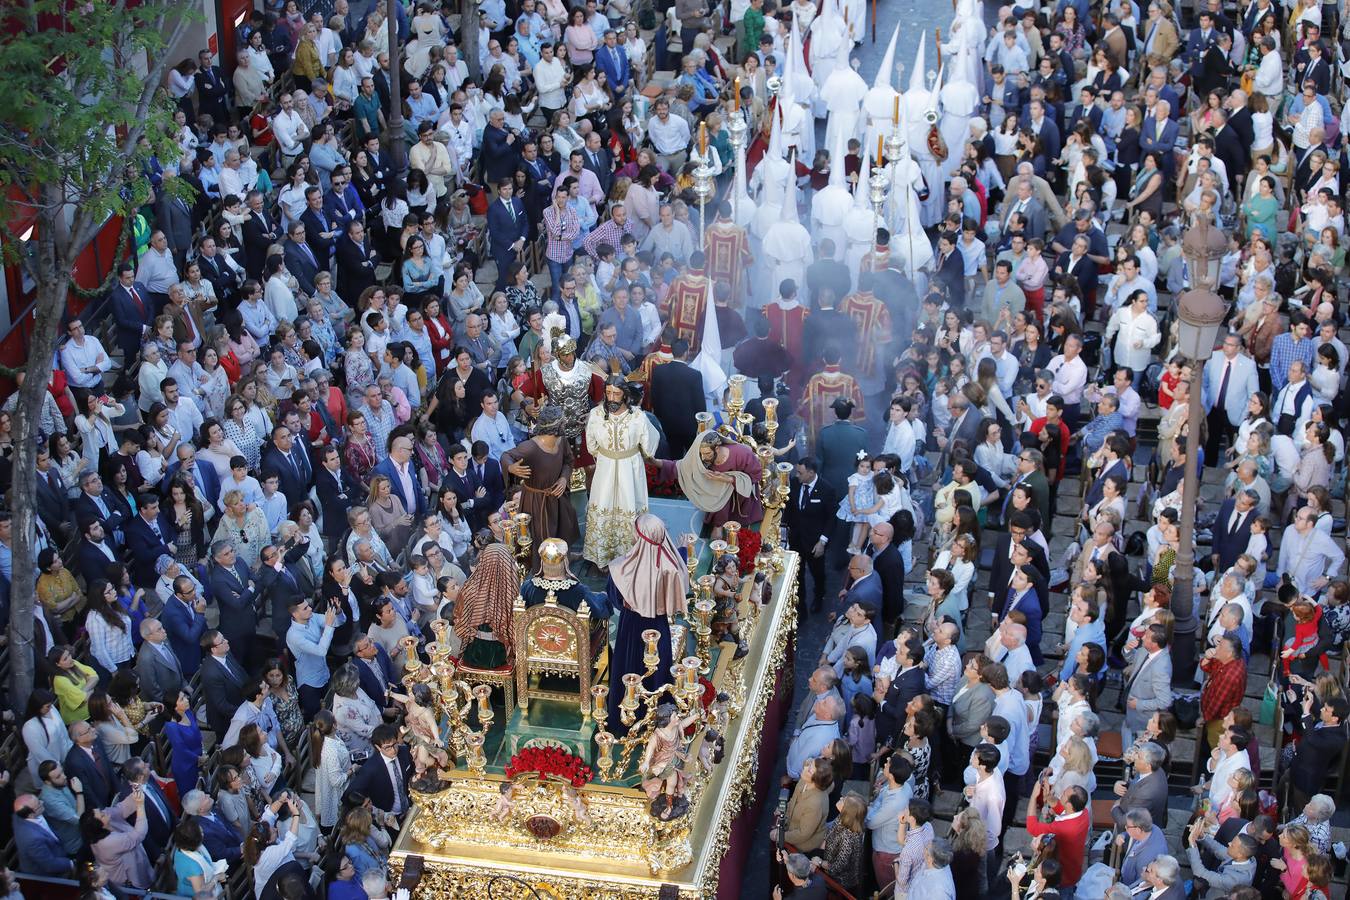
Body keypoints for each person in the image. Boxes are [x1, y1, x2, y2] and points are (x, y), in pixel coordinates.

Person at [583, 378, 659, 567]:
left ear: (625, 394)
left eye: (616, 393)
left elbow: (649, 445)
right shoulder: (596, 414)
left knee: (630, 505)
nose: (612, 397)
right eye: (608, 393)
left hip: (630, 469)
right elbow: (590, 443)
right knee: (603, 504)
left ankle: (631, 555)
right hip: (605, 467)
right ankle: (602, 556)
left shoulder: (638, 417)